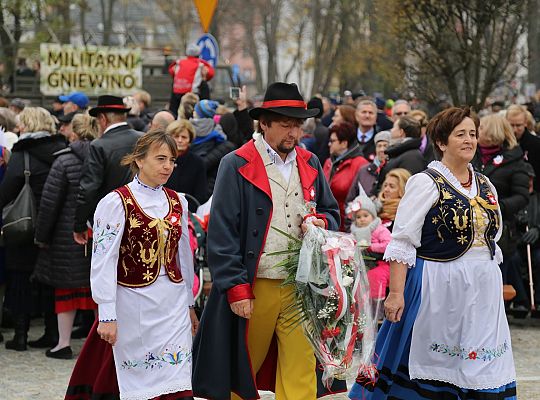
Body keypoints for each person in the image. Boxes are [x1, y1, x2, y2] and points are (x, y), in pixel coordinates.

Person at [349, 107, 516, 400]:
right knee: (436, 362)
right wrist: (396, 293)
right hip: (439, 287)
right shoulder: (425, 183)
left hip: (482, 292)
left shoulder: (486, 185)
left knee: (480, 364)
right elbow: (402, 242)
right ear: (441, 142)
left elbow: (493, 239)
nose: (469, 140)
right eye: (460, 134)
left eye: (473, 134)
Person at [192, 82, 340, 400]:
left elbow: (332, 213)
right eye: (286, 124)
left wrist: (320, 223)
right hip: (254, 285)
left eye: (298, 125)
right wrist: (235, 287)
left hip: (301, 285)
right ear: (265, 123)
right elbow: (222, 233)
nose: (294, 132)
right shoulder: (236, 163)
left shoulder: (310, 162)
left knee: (301, 371)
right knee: (241, 372)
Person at [66, 129, 197, 400]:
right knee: (132, 378)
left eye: (172, 160)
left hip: (171, 304)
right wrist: (107, 314)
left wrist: (189, 305)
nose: (168, 166)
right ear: (139, 160)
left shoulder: (177, 201)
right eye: (160, 159)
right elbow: (104, 260)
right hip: (132, 303)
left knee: (176, 374)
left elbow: (184, 255)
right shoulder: (116, 202)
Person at [0, 107, 67, 351]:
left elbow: (7, 190)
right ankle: (51, 331)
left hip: (25, 224)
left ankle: (20, 336)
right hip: (56, 225)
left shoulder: (23, 153)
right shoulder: (62, 150)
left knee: (20, 278)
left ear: (27, 125)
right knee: (49, 280)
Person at [33, 114, 99, 359]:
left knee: (66, 291)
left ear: (73, 132)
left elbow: (49, 204)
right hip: (98, 232)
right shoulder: (104, 156)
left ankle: (63, 343)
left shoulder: (64, 161)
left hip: (66, 235)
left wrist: (42, 236)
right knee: (98, 292)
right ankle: (99, 346)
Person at [472, 114, 529, 314]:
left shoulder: (514, 159)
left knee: (495, 283)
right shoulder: (472, 154)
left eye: (481, 128)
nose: (476, 131)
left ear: (492, 131)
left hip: (500, 231)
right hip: (470, 226)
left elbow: (522, 196)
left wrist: (498, 207)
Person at [73, 95, 142, 247]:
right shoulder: (143, 139)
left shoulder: (99, 145)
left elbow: (88, 188)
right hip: (144, 217)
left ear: (103, 119)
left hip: (110, 221)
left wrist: (79, 225)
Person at [346, 190, 391, 313]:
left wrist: (371, 246)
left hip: (380, 262)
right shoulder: (355, 232)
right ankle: (360, 307)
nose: (362, 219)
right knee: (354, 277)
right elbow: (350, 243)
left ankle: (377, 307)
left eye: (365, 216)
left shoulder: (379, 229)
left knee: (375, 276)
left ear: (373, 216)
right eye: (358, 217)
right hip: (362, 263)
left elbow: (389, 244)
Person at [323, 122, 368, 231]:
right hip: (328, 222)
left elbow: (363, 198)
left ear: (344, 143)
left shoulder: (361, 164)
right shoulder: (329, 162)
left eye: (332, 141)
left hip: (348, 227)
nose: (329, 144)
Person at [375, 115, 425, 194]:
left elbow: (408, 189)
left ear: (401, 132)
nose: (391, 131)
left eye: (394, 127)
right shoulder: (400, 152)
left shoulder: (412, 157)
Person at [165, 119, 208, 211]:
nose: (180, 140)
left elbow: (200, 194)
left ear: (190, 140)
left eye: (184, 137)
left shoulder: (197, 162)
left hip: (187, 212)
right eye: (176, 136)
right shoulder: (161, 159)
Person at [168, 43, 215, 118]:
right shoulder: (200, 64)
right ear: (198, 54)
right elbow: (211, 73)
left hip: (177, 94)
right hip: (193, 95)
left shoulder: (179, 63)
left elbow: (171, 71)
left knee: (174, 114)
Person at [506, 104, 540, 191]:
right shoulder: (499, 143)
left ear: (525, 123)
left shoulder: (536, 144)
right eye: (511, 125)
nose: (514, 130)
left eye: (518, 125)